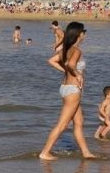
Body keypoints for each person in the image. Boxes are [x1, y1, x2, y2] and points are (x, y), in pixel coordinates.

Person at [39, 22, 96, 161]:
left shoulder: (66, 49)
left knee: (79, 122)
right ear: (79, 34)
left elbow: (51, 61)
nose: (84, 34)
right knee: (63, 124)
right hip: (72, 90)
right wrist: (77, 74)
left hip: (66, 88)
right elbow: (70, 65)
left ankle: (86, 152)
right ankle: (45, 153)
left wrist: (66, 71)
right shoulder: (76, 50)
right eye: (84, 31)